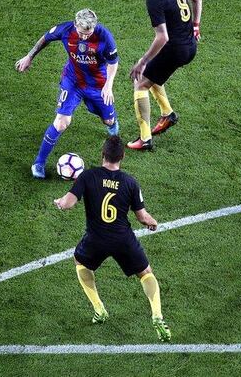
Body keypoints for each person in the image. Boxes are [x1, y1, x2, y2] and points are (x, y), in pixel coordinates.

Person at [53, 136, 171, 341]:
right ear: (122, 157)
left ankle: (99, 309)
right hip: (122, 239)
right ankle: (157, 315)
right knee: (145, 273)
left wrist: (59, 202)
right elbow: (142, 217)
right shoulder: (130, 182)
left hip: (95, 238)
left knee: (80, 261)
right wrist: (153, 222)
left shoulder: (88, 176)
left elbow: (68, 204)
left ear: (102, 155)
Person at [16, 8, 120, 179]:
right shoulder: (65, 30)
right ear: (75, 25)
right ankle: (39, 162)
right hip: (73, 82)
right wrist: (29, 56)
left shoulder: (105, 36)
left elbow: (113, 63)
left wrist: (108, 86)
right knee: (61, 122)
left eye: (88, 33)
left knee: (108, 119)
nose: (85, 37)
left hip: (97, 85)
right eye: (81, 33)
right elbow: (45, 38)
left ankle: (111, 123)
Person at [122, 0, 203, 150]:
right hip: (190, 45)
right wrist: (196, 25)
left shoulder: (154, 0)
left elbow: (162, 37)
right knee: (154, 75)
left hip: (175, 50)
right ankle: (167, 114)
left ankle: (145, 139)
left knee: (140, 81)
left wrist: (142, 61)